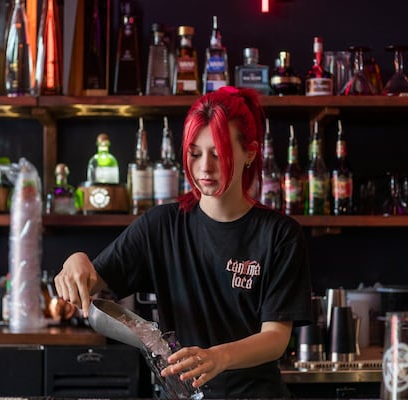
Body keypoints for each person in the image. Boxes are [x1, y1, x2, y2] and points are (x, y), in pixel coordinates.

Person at [54, 86, 312, 398]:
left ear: (250, 153)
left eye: (219, 153)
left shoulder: (279, 234)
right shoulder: (160, 225)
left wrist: (218, 357)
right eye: (195, 153)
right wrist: (76, 261)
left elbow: (276, 337)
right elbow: (93, 283)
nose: (205, 167)